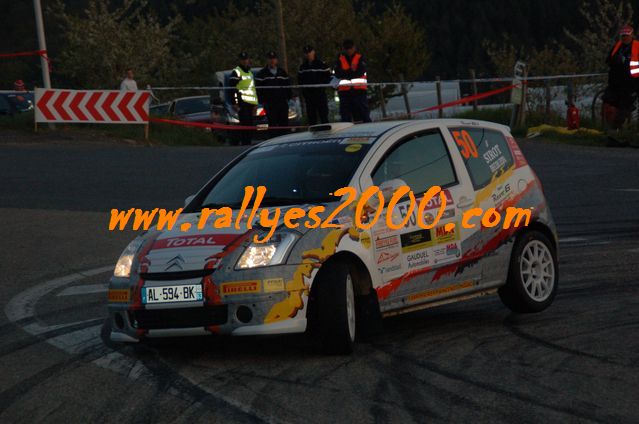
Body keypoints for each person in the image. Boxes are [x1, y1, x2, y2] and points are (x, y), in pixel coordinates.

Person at [603, 25, 639, 130]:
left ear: (632, 35)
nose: (625, 38)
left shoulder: (637, 47)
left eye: (627, 36)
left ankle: (618, 130)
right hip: (615, 84)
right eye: (623, 36)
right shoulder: (617, 46)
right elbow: (608, 61)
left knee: (625, 107)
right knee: (609, 103)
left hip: (632, 84)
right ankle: (613, 130)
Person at [333, 39, 371, 123]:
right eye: (347, 48)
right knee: (345, 117)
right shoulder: (340, 59)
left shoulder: (360, 57)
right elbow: (337, 73)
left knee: (363, 115)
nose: (349, 50)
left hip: (359, 91)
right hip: (345, 92)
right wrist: (351, 71)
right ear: (344, 49)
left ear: (354, 47)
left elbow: (360, 72)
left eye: (350, 48)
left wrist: (346, 73)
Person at [255, 51, 292, 134]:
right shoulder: (262, 74)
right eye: (270, 59)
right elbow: (258, 89)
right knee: (273, 124)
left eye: (274, 59)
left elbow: (288, 86)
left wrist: (288, 97)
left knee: (284, 124)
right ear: (267, 60)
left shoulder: (282, 72)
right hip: (270, 104)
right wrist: (263, 101)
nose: (272, 61)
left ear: (276, 60)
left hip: (282, 103)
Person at [229, 52, 258, 145]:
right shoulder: (236, 72)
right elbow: (232, 89)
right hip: (242, 103)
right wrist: (234, 103)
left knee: (250, 125)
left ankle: (248, 143)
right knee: (245, 125)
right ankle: (245, 144)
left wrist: (255, 104)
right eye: (243, 59)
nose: (245, 61)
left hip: (250, 104)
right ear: (240, 60)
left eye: (246, 59)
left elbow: (253, 89)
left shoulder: (250, 72)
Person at [298, 45, 331, 125]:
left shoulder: (321, 64)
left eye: (309, 52)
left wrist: (321, 85)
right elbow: (300, 80)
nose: (308, 54)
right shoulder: (303, 67)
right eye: (306, 53)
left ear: (313, 52)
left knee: (323, 116)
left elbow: (328, 77)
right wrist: (305, 92)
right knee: (312, 118)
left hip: (320, 95)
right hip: (309, 96)